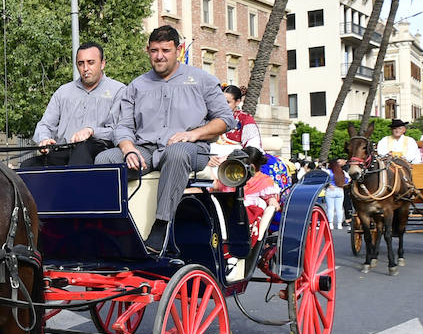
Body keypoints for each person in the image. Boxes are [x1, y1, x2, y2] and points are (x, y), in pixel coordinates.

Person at [95, 25, 235, 253]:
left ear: (178, 50)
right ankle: (112, 227)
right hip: (145, 150)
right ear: (147, 51)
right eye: (154, 50)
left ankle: (161, 225)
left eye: (165, 50)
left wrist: (193, 134)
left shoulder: (202, 80)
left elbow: (225, 120)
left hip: (192, 149)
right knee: (104, 160)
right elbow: (123, 126)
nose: (159, 56)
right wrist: (128, 148)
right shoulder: (136, 86)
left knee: (177, 152)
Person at [22, 43, 124, 167]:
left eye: (91, 62)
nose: (85, 68)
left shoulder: (118, 90)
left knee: (82, 152)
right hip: (63, 150)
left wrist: (91, 131)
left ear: (102, 64)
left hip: (98, 150)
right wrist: (44, 140)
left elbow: (119, 130)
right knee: (28, 166)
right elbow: (45, 124)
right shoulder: (63, 92)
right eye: (81, 64)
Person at [206, 85, 262, 187]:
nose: (222, 105)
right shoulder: (207, 118)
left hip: (235, 164)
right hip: (208, 164)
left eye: (227, 102)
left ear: (238, 102)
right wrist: (205, 159)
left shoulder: (245, 119)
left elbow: (253, 147)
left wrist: (230, 158)